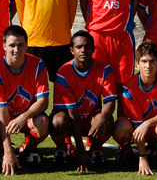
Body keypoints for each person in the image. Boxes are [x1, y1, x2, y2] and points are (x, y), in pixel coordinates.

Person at [0, 25, 50, 175]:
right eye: (12, 45)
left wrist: (24, 116)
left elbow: (43, 102)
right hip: (4, 119)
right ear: (4, 45)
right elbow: (2, 112)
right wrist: (8, 151)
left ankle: (29, 148)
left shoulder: (38, 65)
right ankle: (0, 147)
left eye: (20, 45)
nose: (16, 50)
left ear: (26, 45)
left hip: (27, 117)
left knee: (43, 122)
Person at [50, 30, 117, 171]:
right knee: (57, 121)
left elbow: (110, 102)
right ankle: (63, 148)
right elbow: (72, 113)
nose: (83, 50)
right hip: (69, 120)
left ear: (93, 49)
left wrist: (101, 119)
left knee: (108, 120)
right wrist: (80, 151)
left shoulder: (105, 69)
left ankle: (95, 149)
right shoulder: (63, 73)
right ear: (71, 50)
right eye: (79, 47)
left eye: (87, 47)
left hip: (91, 119)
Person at [113, 40, 157, 174]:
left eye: (152, 61)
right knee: (121, 126)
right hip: (137, 129)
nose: (148, 66)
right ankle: (126, 152)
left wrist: (148, 123)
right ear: (137, 63)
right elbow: (138, 125)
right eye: (144, 61)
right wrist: (142, 157)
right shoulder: (129, 88)